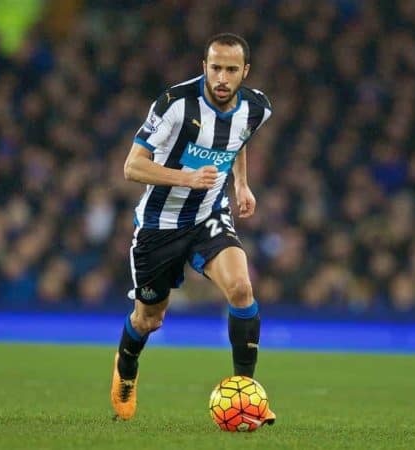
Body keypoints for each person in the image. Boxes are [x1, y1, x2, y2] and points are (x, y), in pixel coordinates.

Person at [110, 32, 275, 426]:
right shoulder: (175, 104)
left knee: (241, 288)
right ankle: (126, 368)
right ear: (204, 66)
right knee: (148, 319)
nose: (222, 76)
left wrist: (240, 183)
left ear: (244, 72)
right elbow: (132, 166)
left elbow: (238, 140)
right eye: (215, 67)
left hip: (208, 216)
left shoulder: (256, 108)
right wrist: (185, 179)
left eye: (231, 70)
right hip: (159, 225)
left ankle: (245, 394)